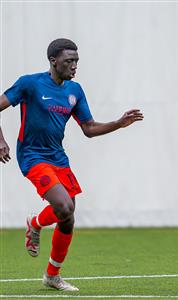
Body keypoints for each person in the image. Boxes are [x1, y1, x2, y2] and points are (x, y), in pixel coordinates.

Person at [0, 38, 144, 291]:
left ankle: (50, 272)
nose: (74, 66)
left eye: (76, 61)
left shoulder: (74, 91)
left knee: (67, 217)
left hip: (58, 157)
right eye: (69, 61)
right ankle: (38, 235)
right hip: (33, 156)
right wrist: (1, 141)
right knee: (64, 206)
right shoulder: (30, 84)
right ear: (53, 61)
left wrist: (118, 123)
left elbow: (88, 128)